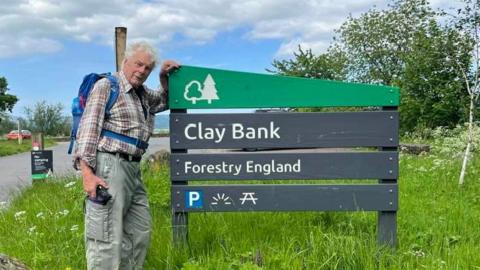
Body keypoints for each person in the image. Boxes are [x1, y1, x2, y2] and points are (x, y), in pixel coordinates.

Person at [73, 41, 179, 269]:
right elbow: (88, 130)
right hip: (109, 166)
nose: (141, 71)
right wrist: (87, 174)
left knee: (138, 233)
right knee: (106, 238)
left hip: (133, 169)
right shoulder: (107, 87)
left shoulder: (141, 94)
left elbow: (164, 101)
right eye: (138, 64)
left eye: (147, 68)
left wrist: (163, 76)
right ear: (125, 62)